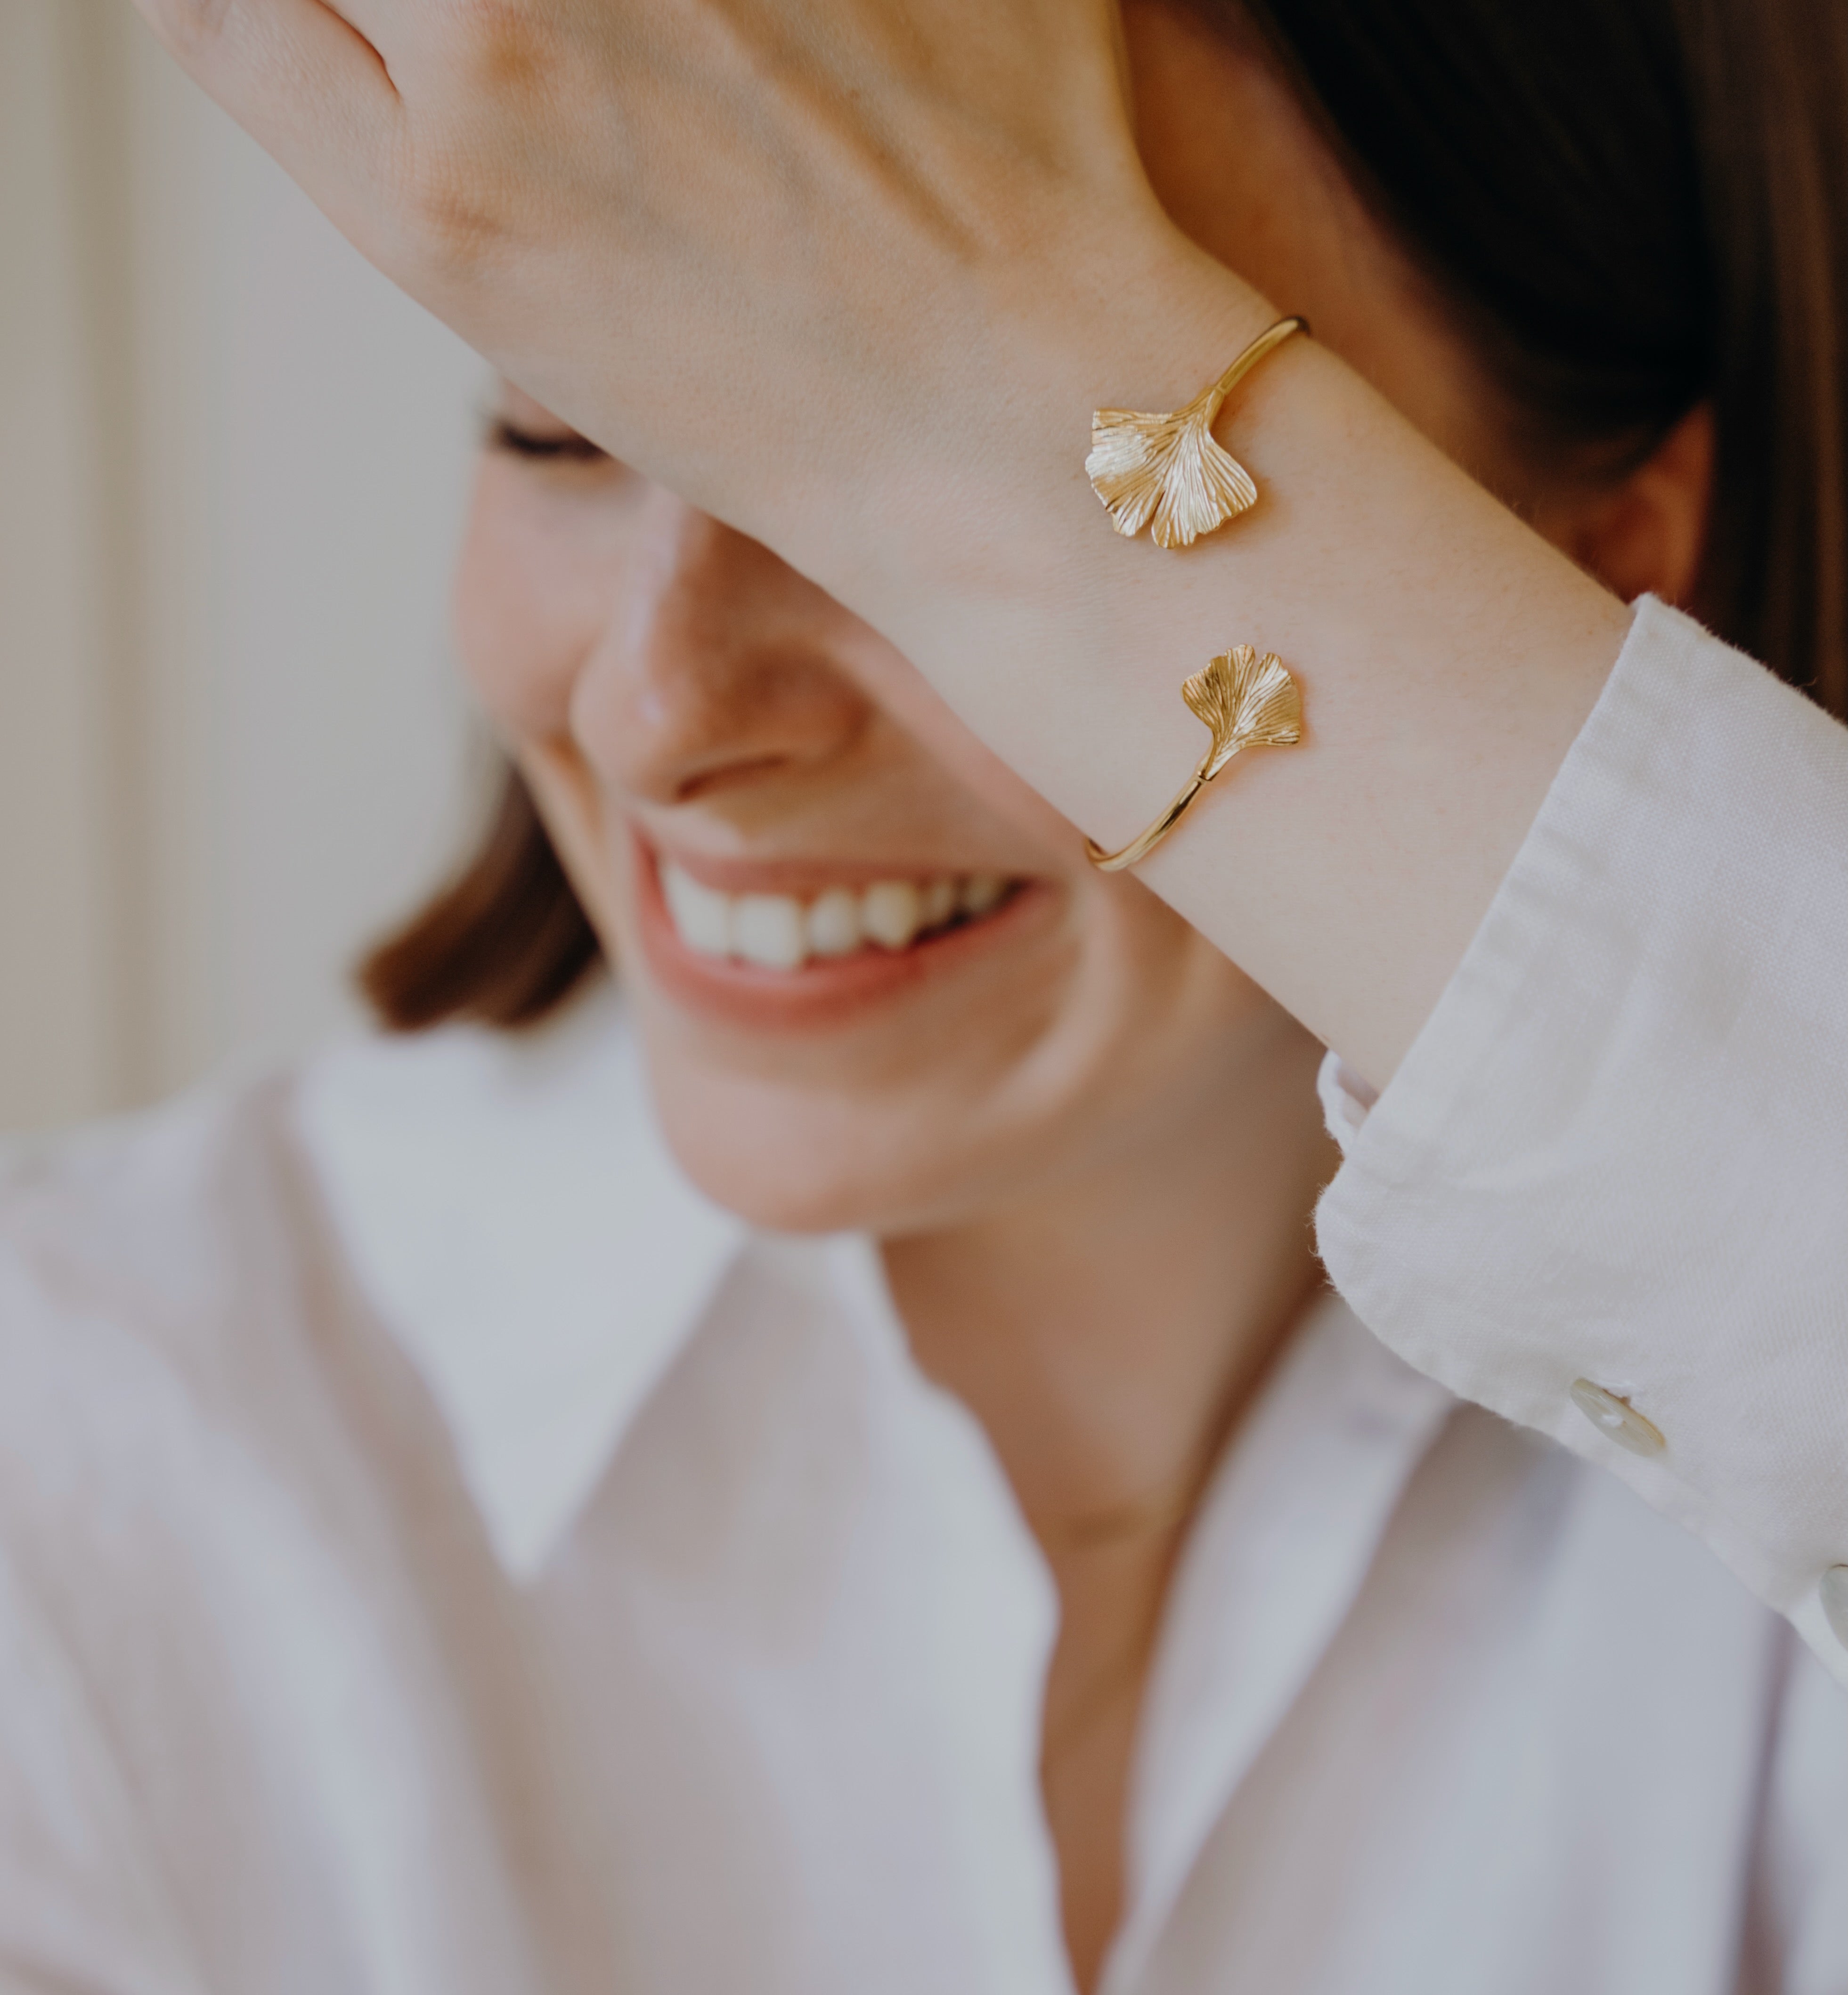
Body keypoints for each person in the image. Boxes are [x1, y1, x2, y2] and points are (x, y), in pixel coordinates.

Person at [5, 0, 1846, 1987]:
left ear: (1597, 550)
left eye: (969, 449)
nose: (658, 709)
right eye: (560, 415)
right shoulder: (82, 1464)